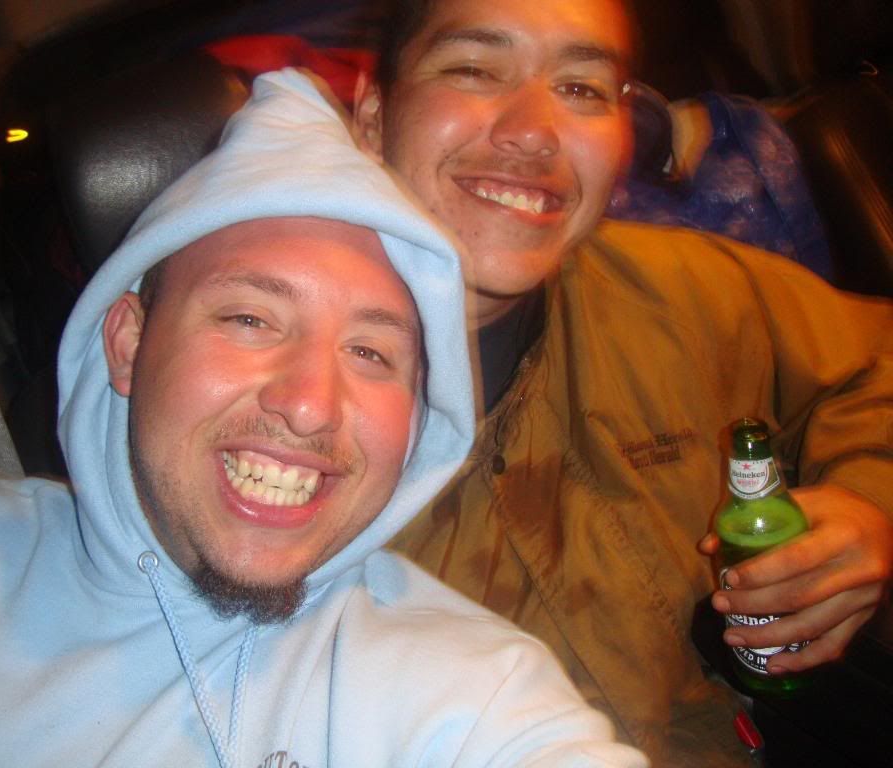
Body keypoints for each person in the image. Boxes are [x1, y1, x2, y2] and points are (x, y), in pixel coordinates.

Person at [0, 70, 647, 767]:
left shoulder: (475, 697)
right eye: (249, 320)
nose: (310, 406)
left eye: (372, 353)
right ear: (130, 343)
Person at [348, 0, 893, 765]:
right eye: (473, 69)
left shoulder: (673, 295)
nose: (534, 131)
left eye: (582, 89)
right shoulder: (277, 402)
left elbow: (874, 354)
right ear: (372, 117)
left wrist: (868, 504)